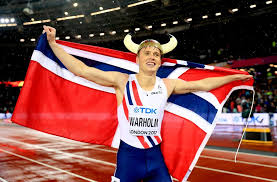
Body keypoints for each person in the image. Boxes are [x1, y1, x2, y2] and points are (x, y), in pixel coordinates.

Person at [43, 25, 252, 182]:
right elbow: (81, 70)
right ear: (137, 59)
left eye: (156, 54)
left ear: (160, 61)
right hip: (128, 158)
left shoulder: (167, 85)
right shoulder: (122, 81)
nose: (152, 56)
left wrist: (233, 78)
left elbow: (203, 85)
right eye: (147, 53)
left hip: (155, 158)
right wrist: (53, 44)